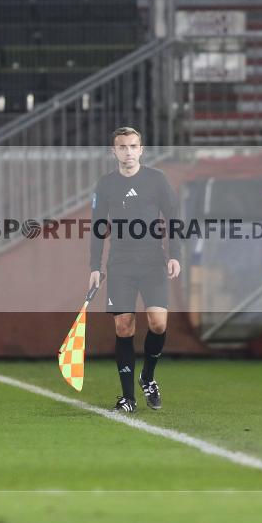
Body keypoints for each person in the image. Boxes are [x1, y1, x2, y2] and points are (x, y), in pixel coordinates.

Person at [89, 127, 181, 412]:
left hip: (153, 261)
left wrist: (174, 255)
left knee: (158, 324)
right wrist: (95, 266)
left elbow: (174, 217)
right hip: (121, 264)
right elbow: (97, 229)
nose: (128, 152)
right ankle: (127, 397)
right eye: (122, 147)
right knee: (124, 325)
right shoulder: (105, 185)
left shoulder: (157, 180)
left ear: (141, 150)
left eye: (133, 146)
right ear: (113, 151)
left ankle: (148, 377)